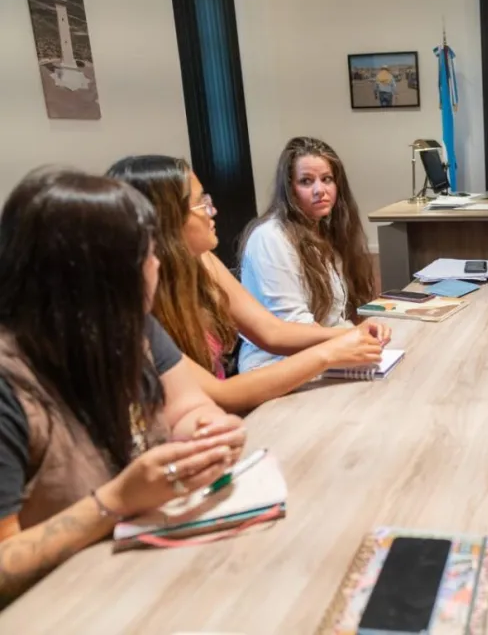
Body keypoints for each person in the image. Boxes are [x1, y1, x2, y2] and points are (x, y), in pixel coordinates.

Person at [0, 168, 246, 605]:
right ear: (95, 275)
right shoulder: (11, 382)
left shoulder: (134, 326)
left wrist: (206, 433)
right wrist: (113, 501)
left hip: (145, 578)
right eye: (146, 253)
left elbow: (189, 408)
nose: (157, 264)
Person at [107, 155, 389, 414]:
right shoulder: (134, 310)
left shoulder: (201, 259)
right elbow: (221, 395)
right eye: (200, 203)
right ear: (164, 220)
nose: (212, 210)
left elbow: (270, 331)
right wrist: (329, 352)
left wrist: (348, 336)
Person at [238, 137, 380, 372]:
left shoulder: (324, 229)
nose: (320, 190)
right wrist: (354, 336)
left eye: (327, 180)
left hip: (324, 351)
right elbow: (293, 325)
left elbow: (334, 318)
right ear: (289, 189)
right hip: (276, 366)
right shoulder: (271, 237)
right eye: (306, 181)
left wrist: (361, 334)